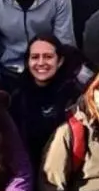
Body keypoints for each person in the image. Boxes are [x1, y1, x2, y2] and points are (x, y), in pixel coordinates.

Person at [9, 35, 81, 167]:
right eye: (35, 57)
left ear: (60, 61)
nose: (41, 62)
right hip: (28, 168)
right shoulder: (18, 96)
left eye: (48, 57)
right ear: (27, 62)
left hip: (66, 168)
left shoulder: (75, 95)